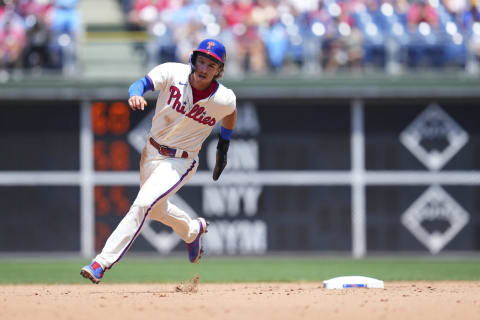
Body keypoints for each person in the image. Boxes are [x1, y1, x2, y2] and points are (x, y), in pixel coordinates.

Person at [80, 38, 237, 284]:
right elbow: (141, 83)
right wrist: (135, 95)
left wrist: (223, 146)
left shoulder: (224, 98)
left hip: (181, 162)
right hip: (151, 152)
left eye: (211, 65)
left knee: (143, 204)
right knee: (155, 210)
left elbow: (230, 114)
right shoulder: (173, 72)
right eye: (202, 61)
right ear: (194, 60)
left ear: (219, 70)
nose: (204, 68)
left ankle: (101, 262)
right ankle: (192, 231)